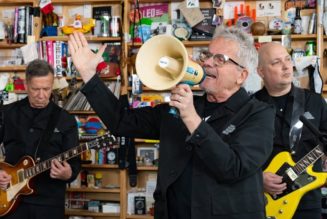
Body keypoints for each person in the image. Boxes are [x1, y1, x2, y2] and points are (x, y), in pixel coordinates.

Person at [68, 27, 275, 219]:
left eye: (220, 59)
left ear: (242, 75)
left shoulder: (259, 114)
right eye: (207, 55)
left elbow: (233, 167)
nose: (208, 63)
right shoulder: (182, 106)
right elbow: (122, 122)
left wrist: (191, 118)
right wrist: (89, 75)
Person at [0, 59, 81, 219]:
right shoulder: (7, 113)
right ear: (26, 85)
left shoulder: (65, 119)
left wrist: (67, 173)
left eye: (46, 89)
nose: (41, 95)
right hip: (10, 199)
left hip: (49, 202)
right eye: (36, 89)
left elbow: (74, 163)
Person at [255, 42, 327, 219]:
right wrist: (257, 179)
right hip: (261, 201)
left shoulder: (315, 102)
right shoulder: (250, 107)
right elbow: (235, 155)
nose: (286, 66)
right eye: (276, 62)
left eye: (288, 59)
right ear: (261, 72)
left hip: (307, 201)